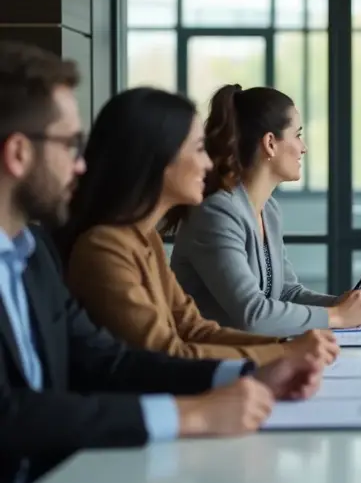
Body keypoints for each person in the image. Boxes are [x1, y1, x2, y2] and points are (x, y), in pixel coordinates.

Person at [0, 41, 325, 483]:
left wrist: (255, 370)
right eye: (70, 144)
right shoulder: (97, 248)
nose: (81, 163)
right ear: (18, 154)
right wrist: (194, 413)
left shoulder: (32, 257)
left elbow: (109, 358)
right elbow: (12, 412)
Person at [58, 86, 340, 365]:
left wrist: (285, 346)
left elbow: (194, 329)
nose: (208, 163)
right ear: (159, 157)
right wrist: (284, 353)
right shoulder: (104, 249)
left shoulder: (146, 240)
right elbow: (166, 354)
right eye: (198, 149)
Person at [166, 84, 361, 338]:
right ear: (270, 143)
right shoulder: (216, 213)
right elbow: (254, 315)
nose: (303, 147)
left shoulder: (269, 210)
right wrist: (337, 316)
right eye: (297, 134)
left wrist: (341, 304)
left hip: (252, 355)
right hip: (209, 363)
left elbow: (286, 292)